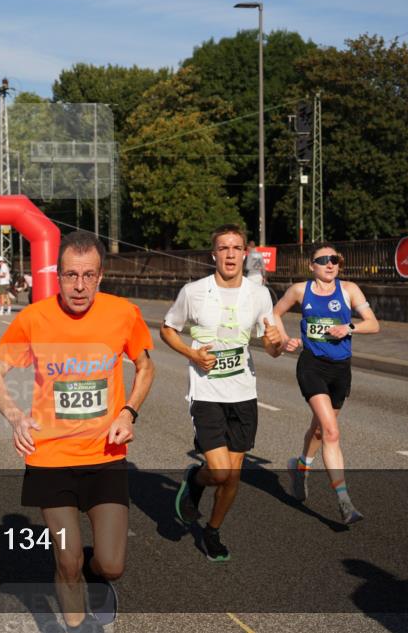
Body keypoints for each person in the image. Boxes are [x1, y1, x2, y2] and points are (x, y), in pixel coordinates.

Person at [0, 231, 155, 631]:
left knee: (111, 565)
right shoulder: (34, 318)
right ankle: (77, 625)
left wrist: (128, 412)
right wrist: (15, 416)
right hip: (50, 458)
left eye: (88, 275)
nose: (79, 286)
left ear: (101, 276)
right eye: (71, 275)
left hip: (105, 456)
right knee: (67, 559)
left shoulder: (123, 314)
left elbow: (145, 366)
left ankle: (97, 578)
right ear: (57, 275)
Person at [161, 224, 284, 562]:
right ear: (213, 254)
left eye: (236, 248)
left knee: (233, 475)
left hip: (243, 393)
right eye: (223, 248)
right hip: (207, 393)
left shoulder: (259, 294)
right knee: (219, 472)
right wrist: (192, 354)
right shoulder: (194, 292)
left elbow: (271, 346)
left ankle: (212, 530)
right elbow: (168, 329)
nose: (230, 254)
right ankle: (196, 480)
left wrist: (276, 344)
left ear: (245, 253)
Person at [273, 244, 380, 525]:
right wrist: (285, 340)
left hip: (340, 370)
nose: (330, 264)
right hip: (312, 366)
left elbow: (373, 324)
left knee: (320, 430)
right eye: (323, 260)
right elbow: (275, 313)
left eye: (334, 259)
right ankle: (345, 502)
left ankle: (300, 467)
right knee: (331, 431)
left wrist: (349, 327)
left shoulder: (349, 290)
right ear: (311, 266)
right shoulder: (300, 290)